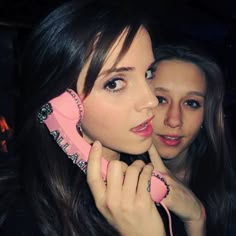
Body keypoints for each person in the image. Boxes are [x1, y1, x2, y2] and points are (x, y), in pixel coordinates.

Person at [0, 1, 167, 235]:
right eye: (115, 83)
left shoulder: (151, 174)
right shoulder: (27, 219)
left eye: (148, 73)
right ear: (62, 104)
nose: (151, 100)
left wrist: (196, 218)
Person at [149, 44, 235, 236]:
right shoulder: (115, 181)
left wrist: (197, 220)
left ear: (206, 115)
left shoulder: (229, 184)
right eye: (160, 99)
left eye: (191, 103)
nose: (174, 120)